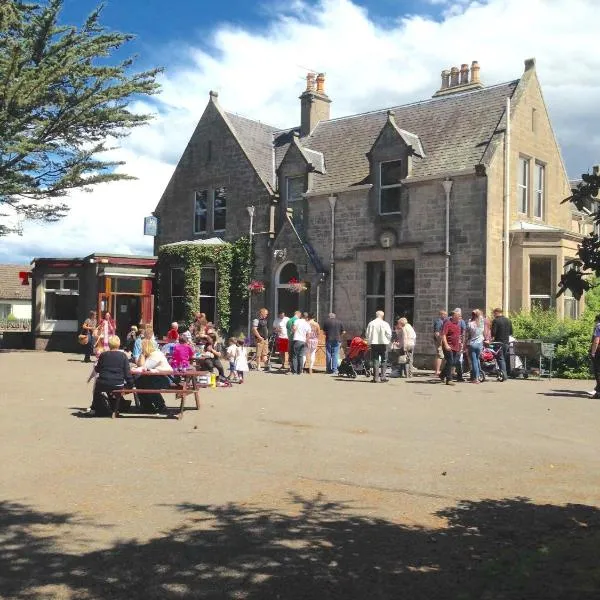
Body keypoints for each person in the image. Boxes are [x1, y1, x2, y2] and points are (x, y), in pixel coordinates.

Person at [89, 335, 134, 417]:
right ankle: (115, 409)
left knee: (97, 390)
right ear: (119, 344)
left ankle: (95, 409)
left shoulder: (103, 355)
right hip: (117, 383)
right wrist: (131, 385)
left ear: (109, 345)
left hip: (103, 382)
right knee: (116, 389)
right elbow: (127, 373)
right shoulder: (123, 356)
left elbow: (98, 369)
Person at [134, 339, 173, 414]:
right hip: (157, 378)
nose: (140, 349)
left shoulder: (156, 354)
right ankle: (147, 406)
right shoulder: (150, 355)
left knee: (145, 382)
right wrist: (142, 355)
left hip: (166, 379)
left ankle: (160, 405)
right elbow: (140, 365)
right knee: (140, 381)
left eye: (141, 347)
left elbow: (143, 367)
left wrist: (142, 354)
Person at [366, 310, 392, 383]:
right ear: (382, 316)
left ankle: (376, 377)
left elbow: (367, 334)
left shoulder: (371, 324)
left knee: (375, 360)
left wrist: (368, 342)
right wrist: (387, 340)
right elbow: (389, 334)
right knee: (384, 360)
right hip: (383, 344)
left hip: (374, 343)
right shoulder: (385, 324)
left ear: (376, 315)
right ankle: (383, 377)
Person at [441, 309, 463, 385]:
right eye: (459, 316)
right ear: (454, 316)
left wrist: (461, 344)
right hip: (448, 346)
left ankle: (442, 374)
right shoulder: (447, 323)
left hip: (456, 346)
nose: (460, 317)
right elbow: (443, 335)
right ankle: (449, 379)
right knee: (450, 361)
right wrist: (446, 345)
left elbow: (459, 336)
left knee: (453, 362)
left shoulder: (458, 324)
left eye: (460, 316)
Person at [491, 307, 513, 380]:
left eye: (494, 313)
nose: (493, 315)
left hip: (498, 342)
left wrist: (491, 339)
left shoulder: (496, 321)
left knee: (500, 359)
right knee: (503, 358)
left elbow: (493, 333)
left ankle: (504, 375)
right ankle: (502, 374)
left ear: (496, 312)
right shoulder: (508, 320)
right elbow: (511, 332)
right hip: (506, 342)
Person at [466, 309, 485, 383]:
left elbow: (468, 334)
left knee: (474, 361)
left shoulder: (470, 323)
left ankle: (476, 378)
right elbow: (481, 316)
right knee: (477, 360)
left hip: (472, 343)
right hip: (480, 343)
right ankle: (478, 376)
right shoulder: (481, 322)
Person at [433, 310, 447, 377]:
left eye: (445, 314)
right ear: (441, 315)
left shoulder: (443, 321)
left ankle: (438, 370)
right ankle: (437, 371)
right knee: (440, 355)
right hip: (439, 341)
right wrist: (440, 342)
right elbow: (437, 333)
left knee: (440, 355)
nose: (445, 316)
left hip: (442, 341)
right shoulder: (439, 322)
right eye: (444, 314)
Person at [590, 315, 600, 399]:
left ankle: (598, 393)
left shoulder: (598, 326)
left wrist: (593, 352)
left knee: (598, 371)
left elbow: (596, 341)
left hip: (598, 352)